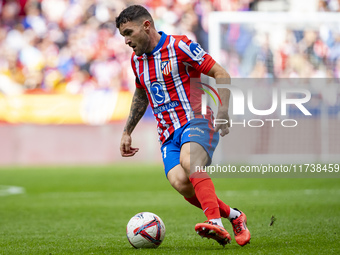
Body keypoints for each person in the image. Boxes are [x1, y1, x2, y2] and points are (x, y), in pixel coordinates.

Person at [116, 5, 250, 247]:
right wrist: (127, 131)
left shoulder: (179, 46)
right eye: (123, 35)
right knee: (181, 183)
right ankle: (234, 216)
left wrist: (223, 109)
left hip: (196, 119)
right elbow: (141, 94)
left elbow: (221, 73)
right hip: (167, 134)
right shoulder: (137, 61)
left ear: (146, 25)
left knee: (190, 163)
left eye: (128, 32)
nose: (126, 41)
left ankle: (216, 224)